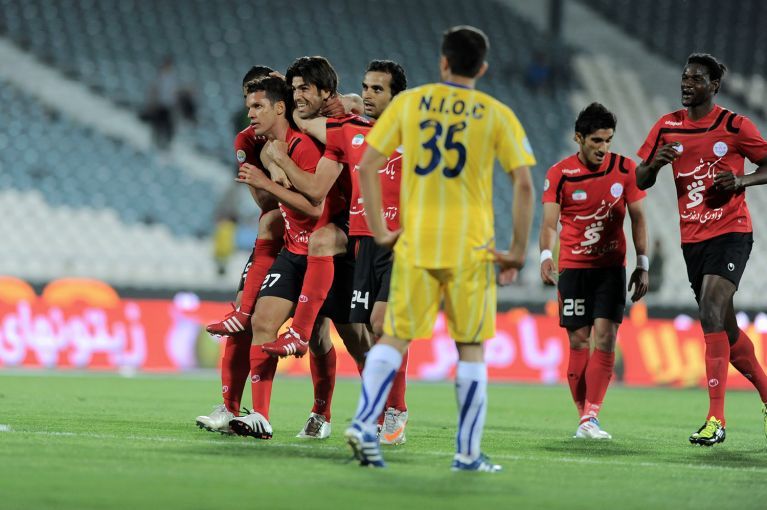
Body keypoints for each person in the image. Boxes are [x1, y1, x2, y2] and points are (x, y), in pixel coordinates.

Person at [345, 25, 536, 471]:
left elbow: (368, 166)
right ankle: (467, 454)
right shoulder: (496, 114)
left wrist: (381, 230)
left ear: (443, 62)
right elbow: (524, 185)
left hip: (415, 241)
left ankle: (363, 422)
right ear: (482, 68)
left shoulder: (410, 103)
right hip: (471, 247)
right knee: (470, 347)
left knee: (393, 337)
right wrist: (516, 250)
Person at [271, 59, 411, 445]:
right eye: (365, 88)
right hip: (360, 241)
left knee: (378, 328)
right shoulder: (348, 130)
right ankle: (337, 412)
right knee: (356, 332)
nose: (367, 95)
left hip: (393, 241)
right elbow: (306, 126)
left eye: (377, 89)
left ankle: (394, 409)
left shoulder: (414, 133)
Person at [636, 53, 767, 446]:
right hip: (693, 240)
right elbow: (639, 179)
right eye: (685, 77)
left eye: (696, 79)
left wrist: (741, 182)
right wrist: (654, 165)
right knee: (726, 329)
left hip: (731, 232)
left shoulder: (735, 126)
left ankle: (716, 419)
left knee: (710, 308)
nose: (687, 84)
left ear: (714, 86)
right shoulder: (667, 126)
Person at [232, 76, 362, 440]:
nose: (250, 113)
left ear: (279, 106)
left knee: (349, 340)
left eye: (257, 106)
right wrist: (266, 173)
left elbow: (314, 204)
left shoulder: (306, 143)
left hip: (331, 248)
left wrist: (271, 176)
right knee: (263, 321)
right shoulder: (268, 147)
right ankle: (259, 416)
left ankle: (374, 411)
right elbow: (269, 203)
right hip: (294, 250)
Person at [540, 102, 649, 440]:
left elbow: (638, 218)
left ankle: (591, 416)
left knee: (605, 336)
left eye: (608, 140)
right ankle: (583, 419)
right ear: (579, 138)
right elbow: (549, 223)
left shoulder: (626, 169)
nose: (604, 148)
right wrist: (545, 255)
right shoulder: (559, 173)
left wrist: (643, 263)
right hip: (574, 269)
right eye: (597, 141)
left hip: (610, 269)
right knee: (579, 340)